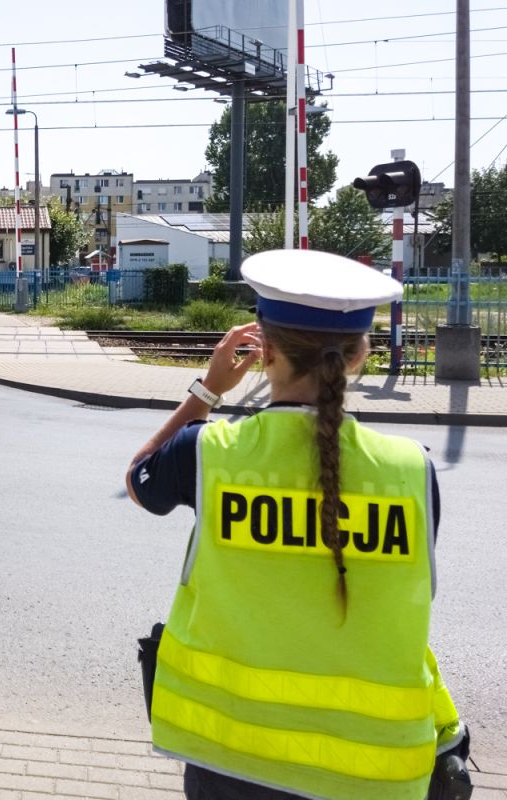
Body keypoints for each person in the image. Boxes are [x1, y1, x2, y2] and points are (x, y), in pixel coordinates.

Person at [125, 249, 471, 800]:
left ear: (263, 348)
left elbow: (140, 478)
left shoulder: (211, 452)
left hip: (232, 763)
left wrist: (208, 390)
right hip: (372, 773)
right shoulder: (413, 471)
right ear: (360, 356)